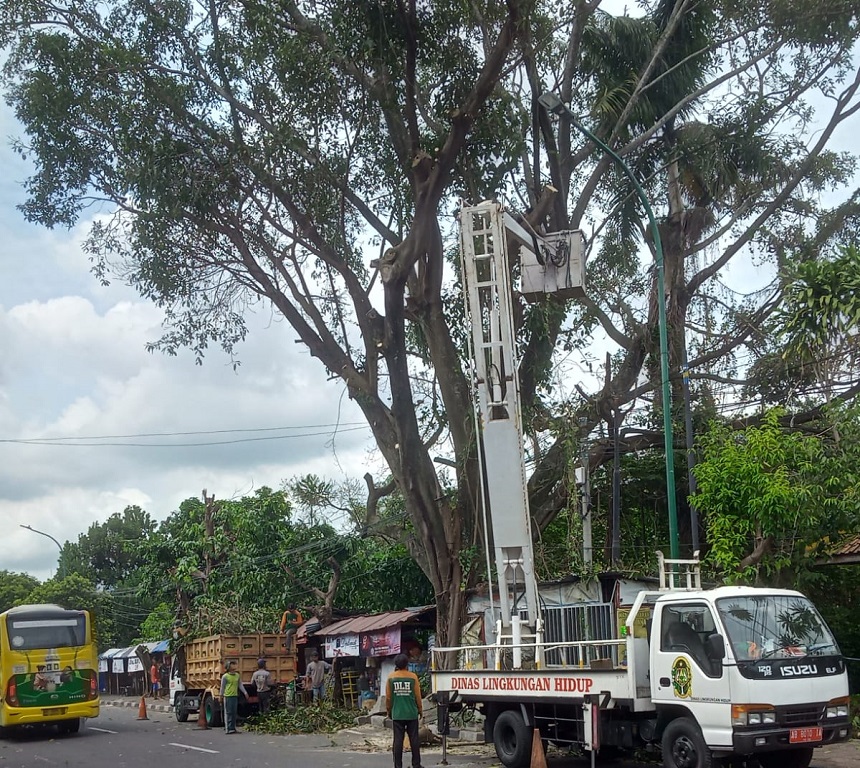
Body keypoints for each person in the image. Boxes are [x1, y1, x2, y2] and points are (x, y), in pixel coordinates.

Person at [386, 653, 423, 768]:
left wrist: (389, 712)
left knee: (398, 741)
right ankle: (416, 764)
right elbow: (418, 696)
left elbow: (388, 698)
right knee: (414, 740)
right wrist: (420, 710)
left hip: (397, 714)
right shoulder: (413, 677)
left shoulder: (391, 677)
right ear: (407, 664)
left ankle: (398, 765)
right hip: (411, 713)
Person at [219, 660, 248, 734]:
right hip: (228, 696)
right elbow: (222, 687)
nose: (235, 666)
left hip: (235, 696)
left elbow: (240, 685)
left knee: (234, 712)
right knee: (228, 713)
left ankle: (233, 728)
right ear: (229, 666)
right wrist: (221, 696)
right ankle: (228, 729)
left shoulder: (237, 675)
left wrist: (245, 692)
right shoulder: (225, 676)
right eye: (233, 664)